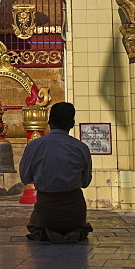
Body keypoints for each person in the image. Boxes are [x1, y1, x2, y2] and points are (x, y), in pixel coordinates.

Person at [18, 101, 93, 243]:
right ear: (72, 124)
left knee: (36, 226)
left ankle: (49, 233)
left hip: (46, 213)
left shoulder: (35, 146)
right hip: (74, 215)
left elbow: (25, 177)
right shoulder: (81, 148)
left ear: (49, 122)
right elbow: (85, 182)